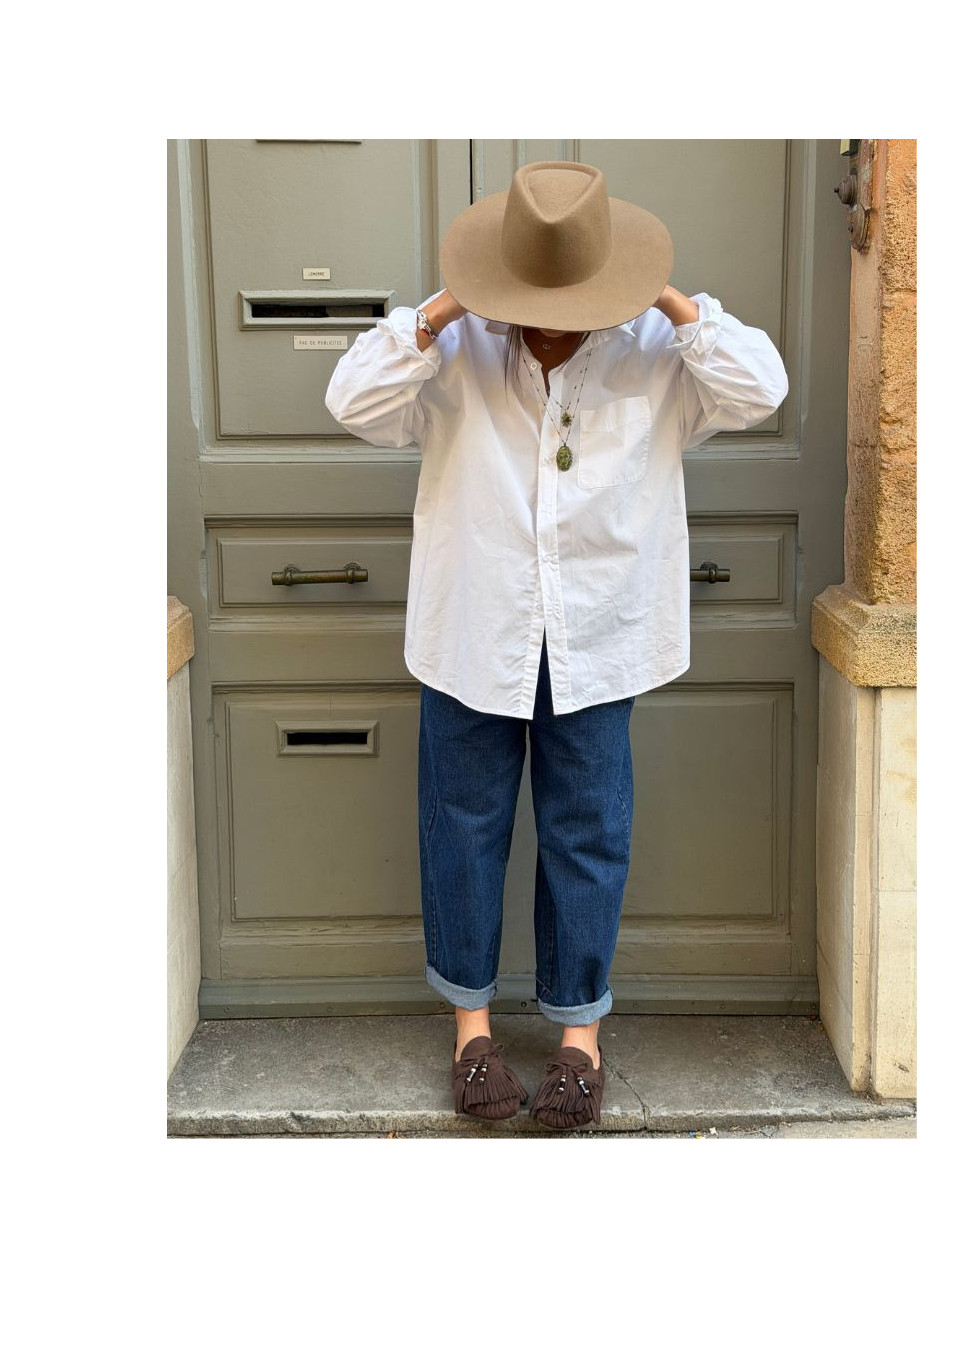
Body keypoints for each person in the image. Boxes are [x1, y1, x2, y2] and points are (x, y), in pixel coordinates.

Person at [324, 161, 788, 1130]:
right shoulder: (453, 350)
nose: (549, 322)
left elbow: (764, 386)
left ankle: (580, 1039)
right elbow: (350, 402)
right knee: (461, 829)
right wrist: (448, 305)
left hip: (600, 634)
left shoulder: (660, 349)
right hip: (472, 627)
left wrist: (663, 297)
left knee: (588, 832)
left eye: (569, 299)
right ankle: (472, 1032)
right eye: (532, 299)